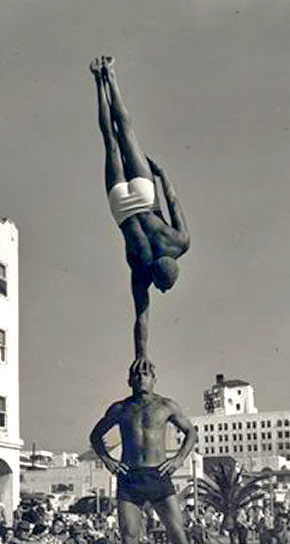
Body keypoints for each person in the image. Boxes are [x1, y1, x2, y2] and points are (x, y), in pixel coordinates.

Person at [90, 56, 190, 359]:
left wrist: (163, 174)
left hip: (146, 197)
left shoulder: (180, 243)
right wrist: (141, 355)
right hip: (121, 207)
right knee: (110, 141)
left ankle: (111, 75)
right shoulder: (140, 268)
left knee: (127, 131)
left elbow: (172, 202)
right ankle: (97, 81)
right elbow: (141, 316)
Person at [90, 358, 210, 544]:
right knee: (129, 536)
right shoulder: (120, 409)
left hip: (158, 475)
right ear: (129, 381)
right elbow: (95, 435)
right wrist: (108, 460)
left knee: (178, 534)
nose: (141, 377)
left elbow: (191, 432)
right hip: (130, 477)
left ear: (154, 379)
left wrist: (178, 458)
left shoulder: (166, 406)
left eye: (146, 374)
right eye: (136, 375)